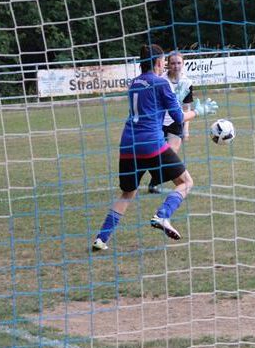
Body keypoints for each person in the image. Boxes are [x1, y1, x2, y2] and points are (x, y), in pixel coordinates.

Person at [92, 44, 218, 251]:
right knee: (186, 182)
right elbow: (178, 117)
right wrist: (199, 111)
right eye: (164, 62)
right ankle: (162, 215)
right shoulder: (161, 83)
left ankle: (101, 238)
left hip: (127, 145)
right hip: (150, 144)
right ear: (159, 62)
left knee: (127, 194)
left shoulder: (134, 83)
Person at [147, 51, 194, 194]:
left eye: (179, 63)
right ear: (167, 64)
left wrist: (186, 129)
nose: (176, 66)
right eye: (173, 63)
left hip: (176, 122)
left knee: (170, 156)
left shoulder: (187, 82)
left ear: (183, 63)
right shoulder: (160, 80)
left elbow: (186, 107)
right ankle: (155, 179)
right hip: (159, 121)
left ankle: (154, 182)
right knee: (156, 155)